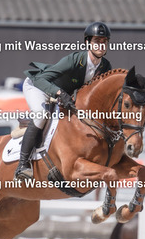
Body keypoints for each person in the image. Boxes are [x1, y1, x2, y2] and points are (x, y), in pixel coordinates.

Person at [14, 22, 113, 180]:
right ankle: (23, 165)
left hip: (61, 94)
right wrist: (60, 93)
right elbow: (41, 79)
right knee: (41, 115)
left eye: (104, 41)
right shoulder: (74, 60)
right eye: (97, 41)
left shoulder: (105, 67)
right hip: (39, 86)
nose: (101, 45)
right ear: (88, 42)